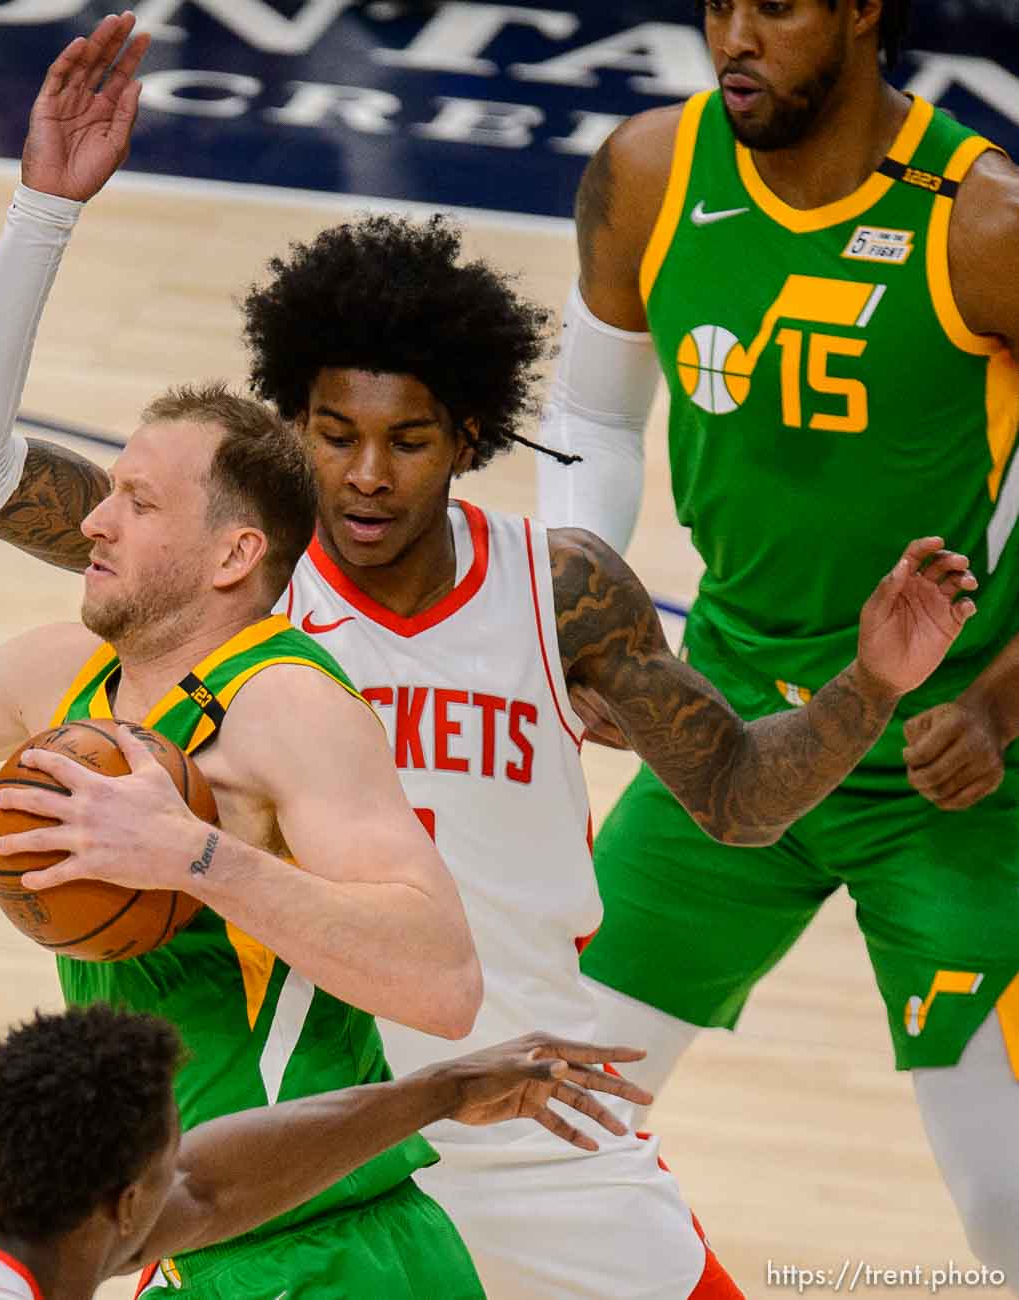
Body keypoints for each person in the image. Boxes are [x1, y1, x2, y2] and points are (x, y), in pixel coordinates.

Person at [0, 13, 979, 1298]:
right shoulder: (230, 580)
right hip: (314, 1155)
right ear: (289, 430)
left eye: (406, 438)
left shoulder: (559, 589)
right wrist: (42, 212)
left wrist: (870, 685)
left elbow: (741, 800)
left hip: (533, 1124)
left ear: (468, 436)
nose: (363, 473)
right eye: (331, 433)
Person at [0, 378, 559, 1298]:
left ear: (234, 553)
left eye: (137, 502)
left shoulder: (286, 708)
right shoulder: (70, 677)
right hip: (177, 1241)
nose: (95, 522)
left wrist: (195, 856)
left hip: (320, 1250)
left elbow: (443, 982)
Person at [534, 0, 1019, 1280]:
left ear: (863, 11)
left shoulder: (983, 226)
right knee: (537, 1125)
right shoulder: (648, 170)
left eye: (779, 5)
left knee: (1009, 1209)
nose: (736, 34)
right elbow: (592, 410)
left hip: (949, 758)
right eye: (719, 3)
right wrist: (585, 611)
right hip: (733, 734)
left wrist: (1002, 706)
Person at [0, 1004, 652, 1300]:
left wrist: (439, 1090)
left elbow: (209, 1190)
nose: (179, 1161)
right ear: (124, 1202)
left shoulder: (0, 1230)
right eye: (166, 1151)